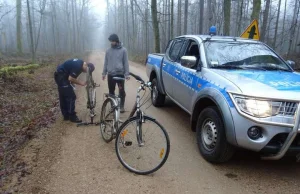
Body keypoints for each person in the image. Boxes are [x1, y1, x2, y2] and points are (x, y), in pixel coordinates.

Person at [54, 59, 95, 123]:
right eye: (87, 70)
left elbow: (71, 76)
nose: (85, 72)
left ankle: (66, 115)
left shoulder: (80, 63)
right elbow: (71, 78)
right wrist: (82, 83)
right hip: (61, 77)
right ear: (86, 65)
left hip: (60, 75)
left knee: (63, 96)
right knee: (71, 96)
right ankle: (72, 116)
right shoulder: (78, 66)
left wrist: (72, 83)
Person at [102, 34, 130, 113]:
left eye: (113, 41)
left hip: (120, 74)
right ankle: (112, 106)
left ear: (116, 40)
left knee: (121, 91)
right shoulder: (108, 51)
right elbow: (106, 62)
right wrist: (104, 73)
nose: (111, 43)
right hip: (110, 74)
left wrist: (127, 74)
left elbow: (126, 63)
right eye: (111, 41)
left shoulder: (123, 50)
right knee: (111, 91)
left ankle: (121, 106)